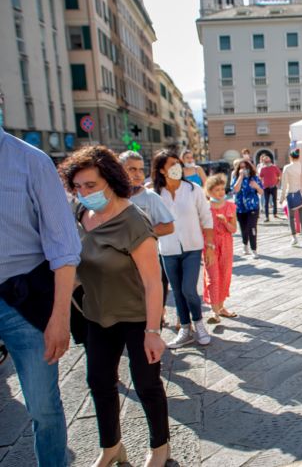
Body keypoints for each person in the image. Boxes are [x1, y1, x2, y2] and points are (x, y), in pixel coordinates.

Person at [59, 146, 170, 467]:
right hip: (98, 314)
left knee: (147, 383)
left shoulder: (133, 221)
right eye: (77, 187)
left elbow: (153, 282)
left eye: (90, 185)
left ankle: (160, 447)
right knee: (98, 382)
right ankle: (111, 448)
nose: (83, 193)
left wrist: (153, 331)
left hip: (137, 315)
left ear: (109, 180)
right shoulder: (80, 214)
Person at [0, 127, 80, 467]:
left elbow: (64, 248)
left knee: (43, 408)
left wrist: (60, 318)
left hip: (25, 302)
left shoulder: (32, 161)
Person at [152, 150, 215, 348]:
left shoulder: (193, 189)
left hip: (192, 247)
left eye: (177, 163)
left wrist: (210, 245)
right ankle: (185, 329)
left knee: (189, 289)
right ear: (161, 170)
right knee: (177, 292)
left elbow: (206, 216)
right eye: (171, 164)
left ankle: (198, 323)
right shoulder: (154, 194)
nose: (176, 167)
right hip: (167, 249)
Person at [119, 151, 175, 326]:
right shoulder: (112, 198)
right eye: (131, 169)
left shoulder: (150, 197)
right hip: (119, 268)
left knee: (149, 311)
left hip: (146, 263)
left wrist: (140, 236)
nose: (137, 174)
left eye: (140, 170)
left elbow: (168, 226)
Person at [202, 174, 238, 322]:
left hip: (226, 245)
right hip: (209, 246)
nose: (221, 192)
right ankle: (214, 311)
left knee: (224, 276)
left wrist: (225, 222)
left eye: (222, 189)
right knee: (212, 277)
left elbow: (234, 229)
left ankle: (221, 307)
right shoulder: (204, 208)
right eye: (217, 189)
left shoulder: (230, 206)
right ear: (209, 191)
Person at [232, 159, 264, 258]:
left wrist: (256, 186)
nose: (244, 169)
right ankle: (245, 244)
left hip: (253, 206)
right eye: (241, 167)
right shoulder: (236, 177)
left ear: (249, 168)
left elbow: (261, 192)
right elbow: (235, 189)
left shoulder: (254, 178)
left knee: (252, 227)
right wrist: (240, 177)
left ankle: (254, 249)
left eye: (245, 167)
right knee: (244, 228)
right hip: (240, 207)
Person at [280, 149, 302, 247]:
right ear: (299, 156)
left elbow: (284, 184)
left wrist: (281, 198)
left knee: (291, 217)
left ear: (290, 157)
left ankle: (294, 238)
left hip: (292, 194)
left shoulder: (287, 168)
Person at [258, 154, 282, 221]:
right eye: (265, 160)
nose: (266, 160)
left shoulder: (274, 167)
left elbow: (280, 174)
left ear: (270, 160)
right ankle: (267, 217)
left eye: (267, 159)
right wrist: (262, 183)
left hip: (273, 186)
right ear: (263, 161)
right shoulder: (263, 168)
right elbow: (260, 177)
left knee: (274, 201)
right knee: (266, 202)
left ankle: (275, 213)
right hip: (266, 187)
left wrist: (278, 182)